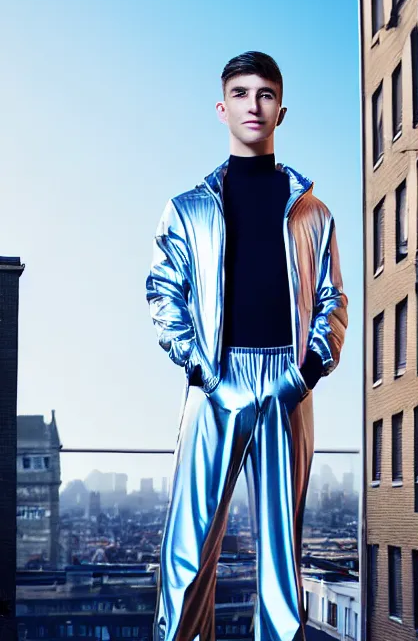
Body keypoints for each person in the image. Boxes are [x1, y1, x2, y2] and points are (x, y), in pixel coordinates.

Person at [146, 51, 349, 641]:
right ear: (222, 108)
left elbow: (333, 300)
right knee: (186, 555)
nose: (253, 105)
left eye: (264, 94)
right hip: (214, 382)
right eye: (241, 93)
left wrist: (305, 373)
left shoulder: (314, 212)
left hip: (288, 387)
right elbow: (163, 291)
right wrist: (199, 365)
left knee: (282, 567)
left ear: (280, 111)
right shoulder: (187, 208)